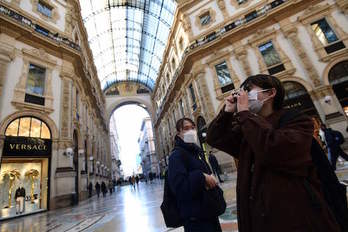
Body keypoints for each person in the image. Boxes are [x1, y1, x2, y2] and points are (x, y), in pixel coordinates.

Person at [206, 74, 340, 232]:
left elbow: (274, 150)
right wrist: (227, 112)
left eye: (248, 90)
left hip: (295, 215)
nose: (244, 95)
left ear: (271, 93)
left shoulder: (297, 121)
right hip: (258, 215)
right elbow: (215, 138)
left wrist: (244, 114)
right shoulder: (246, 126)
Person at [168, 117, 222, 232]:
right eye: (186, 129)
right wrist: (201, 177)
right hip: (195, 219)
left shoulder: (197, 152)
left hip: (209, 212)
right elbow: (179, 188)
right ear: (179, 134)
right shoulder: (176, 156)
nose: (191, 131)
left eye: (193, 128)